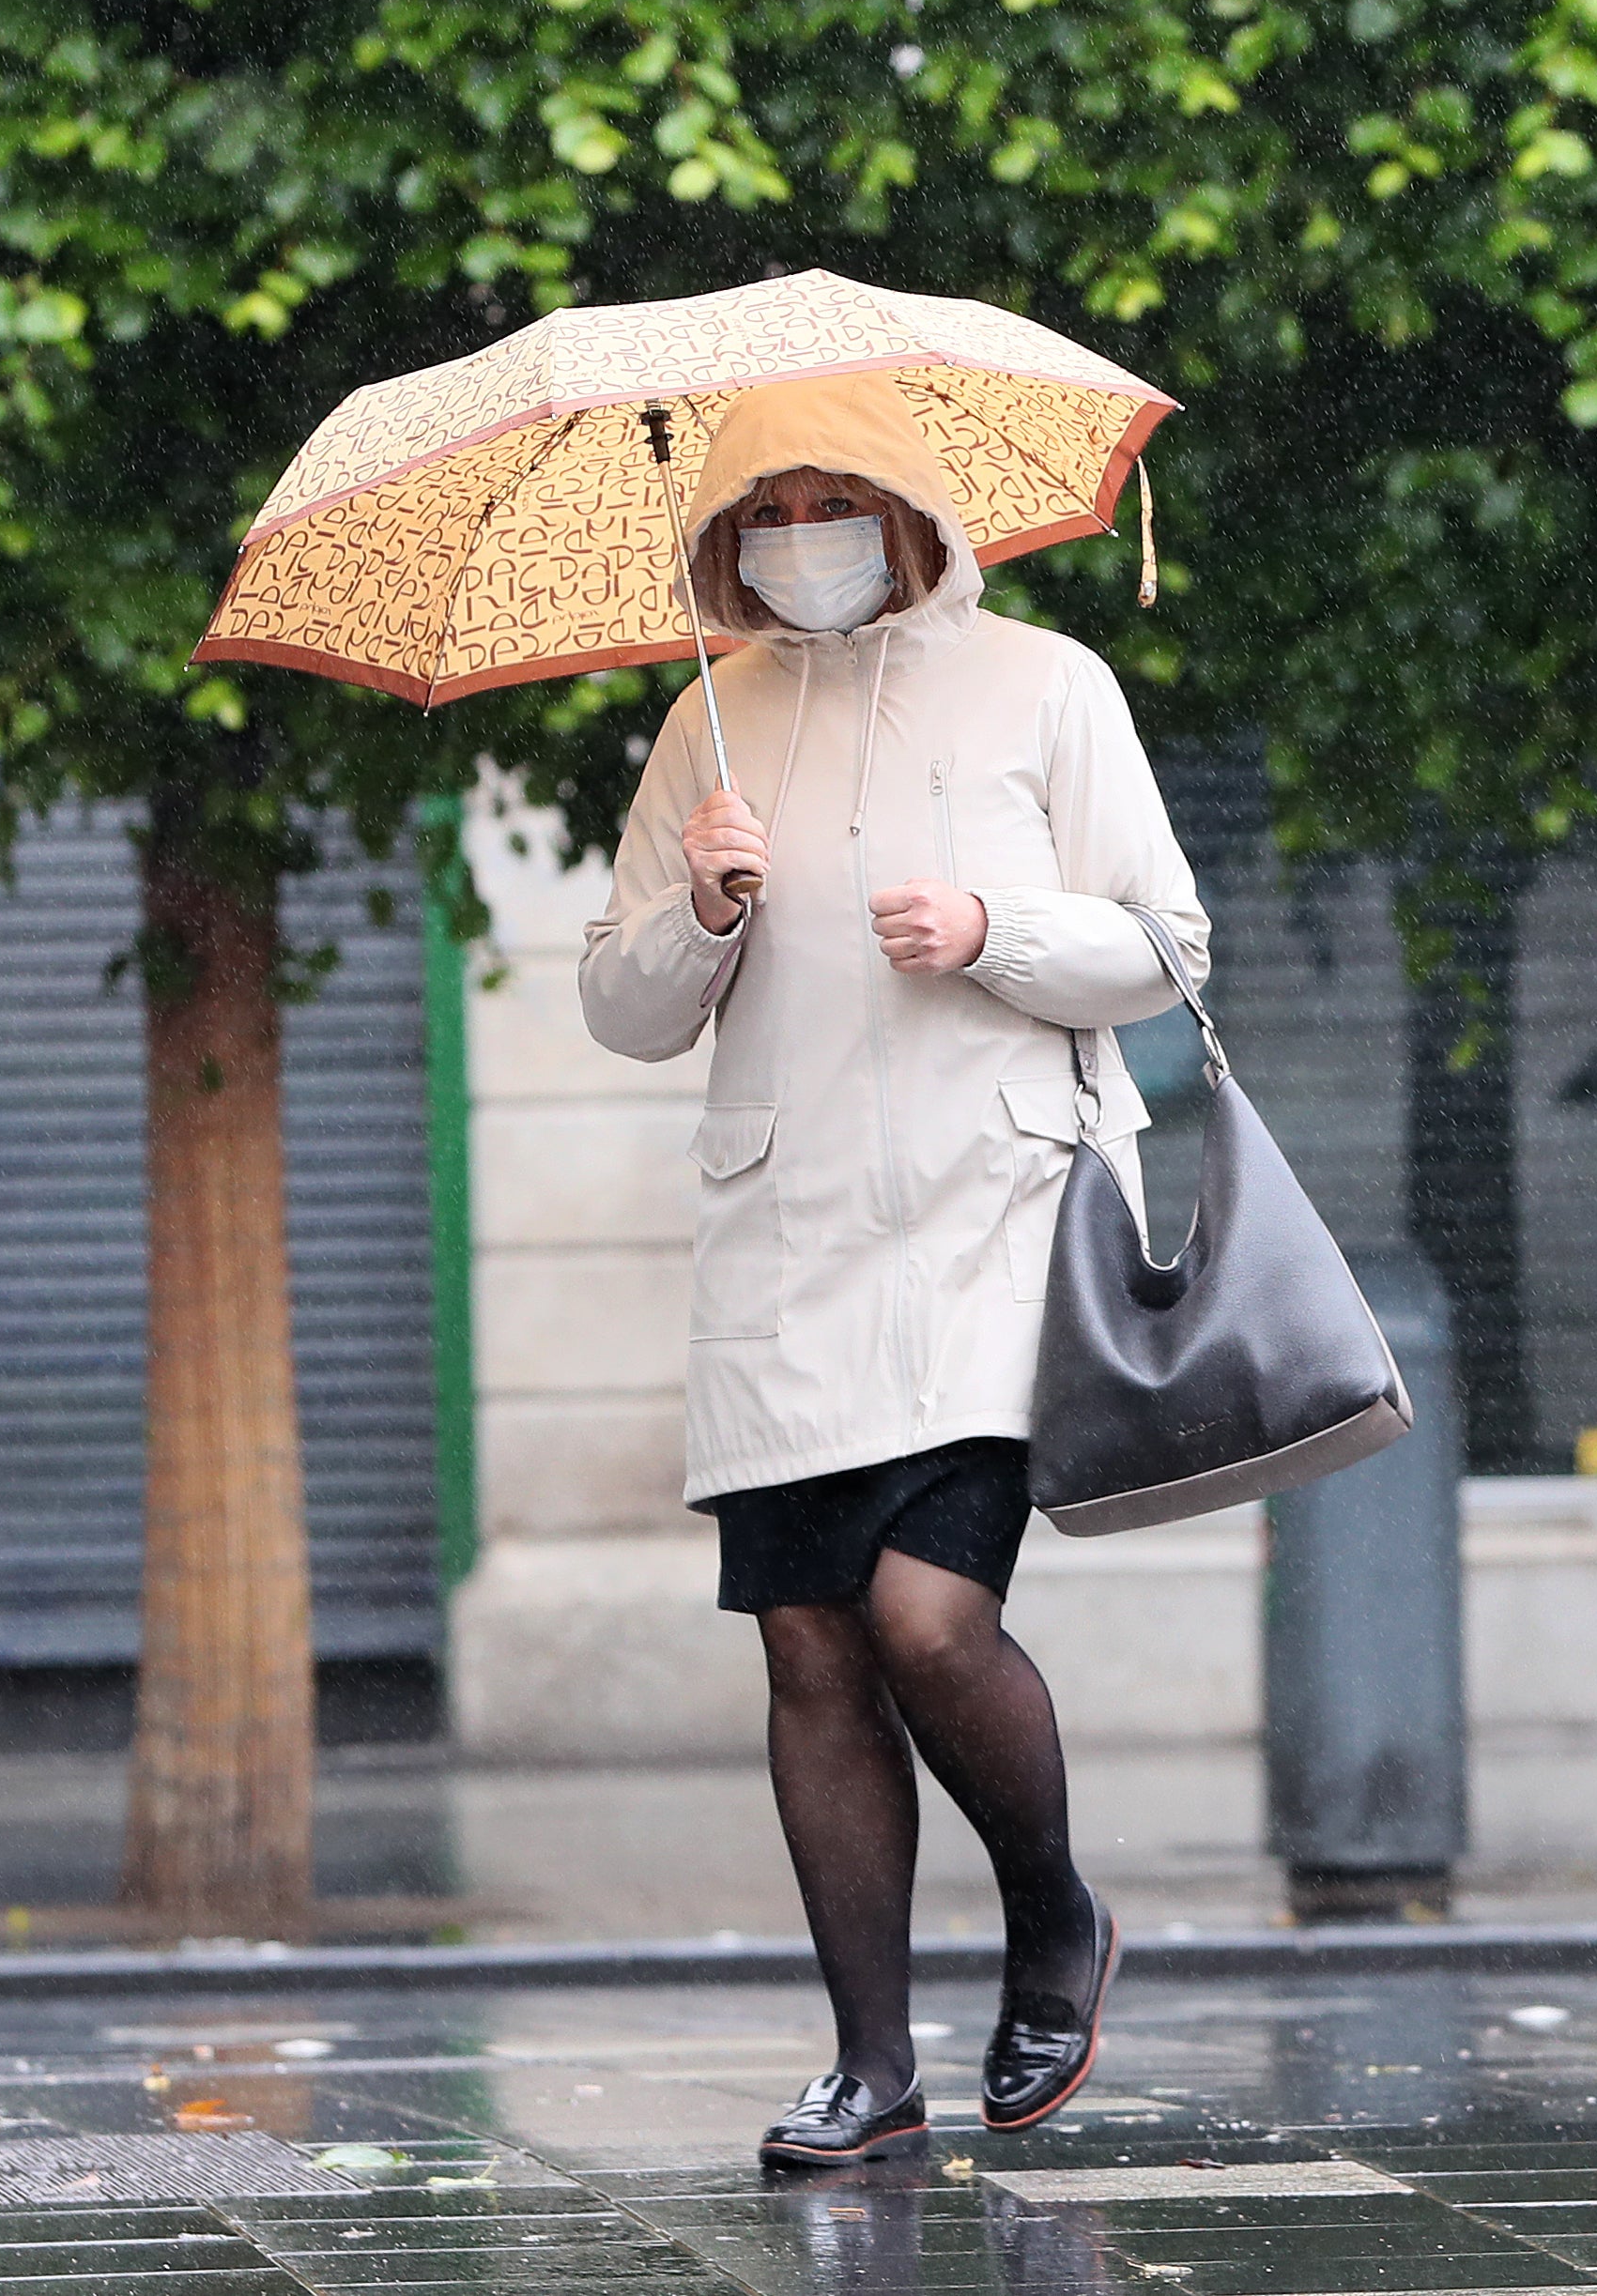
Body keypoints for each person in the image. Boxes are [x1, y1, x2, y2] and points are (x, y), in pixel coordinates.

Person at [580, 372, 1209, 2167]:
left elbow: (1165, 943)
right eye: (761, 515)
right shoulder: (709, 721)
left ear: (910, 505)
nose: (800, 543)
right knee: (810, 1648)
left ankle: (1054, 1913)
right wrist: (701, 908)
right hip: (784, 1252)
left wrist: (994, 929)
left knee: (928, 1617)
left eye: (824, 502)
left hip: (992, 1232)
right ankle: (871, 2060)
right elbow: (614, 1005)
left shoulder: (1049, 686)